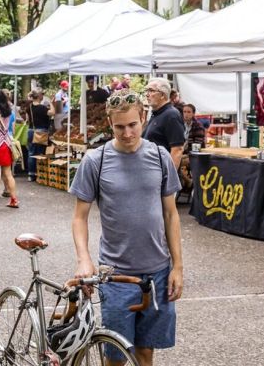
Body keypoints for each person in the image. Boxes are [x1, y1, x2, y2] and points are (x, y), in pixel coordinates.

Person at [70, 90, 183, 366]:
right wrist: (84, 259)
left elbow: (171, 214)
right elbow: (79, 217)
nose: (127, 132)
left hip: (157, 272)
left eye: (133, 124)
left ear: (143, 118)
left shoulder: (159, 157)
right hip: (116, 275)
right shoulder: (95, 161)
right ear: (110, 124)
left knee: (146, 351)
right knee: (116, 355)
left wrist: (177, 266)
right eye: (119, 126)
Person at [143, 78, 185, 170]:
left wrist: (169, 178)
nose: (147, 94)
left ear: (162, 95)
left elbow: (177, 150)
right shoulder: (157, 113)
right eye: (147, 91)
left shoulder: (171, 115)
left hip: (163, 176)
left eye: (151, 91)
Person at [26, 89, 54, 182]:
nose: (43, 96)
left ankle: (31, 174)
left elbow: (27, 120)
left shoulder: (28, 107)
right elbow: (52, 113)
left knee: (31, 152)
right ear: (39, 96)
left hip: (30, 131)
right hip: (41, 131)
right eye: (42, 94)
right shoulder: (43, 108)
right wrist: (51, 102)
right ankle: (40, 173)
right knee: (40, 152)